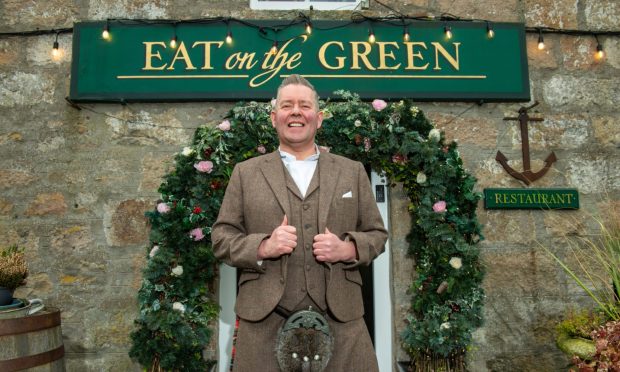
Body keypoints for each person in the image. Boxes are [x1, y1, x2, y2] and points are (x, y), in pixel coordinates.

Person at [212, 74, 387, 371]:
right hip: (265, 321)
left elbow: (377, 234)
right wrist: (263, 246)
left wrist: (347, 250)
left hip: (342, 321)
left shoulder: (352, 171)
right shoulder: (246, 173)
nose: (295, 112)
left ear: (318, 119)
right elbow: (220, 238)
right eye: (287, 105)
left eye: (304, 106)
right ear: (274, 117)